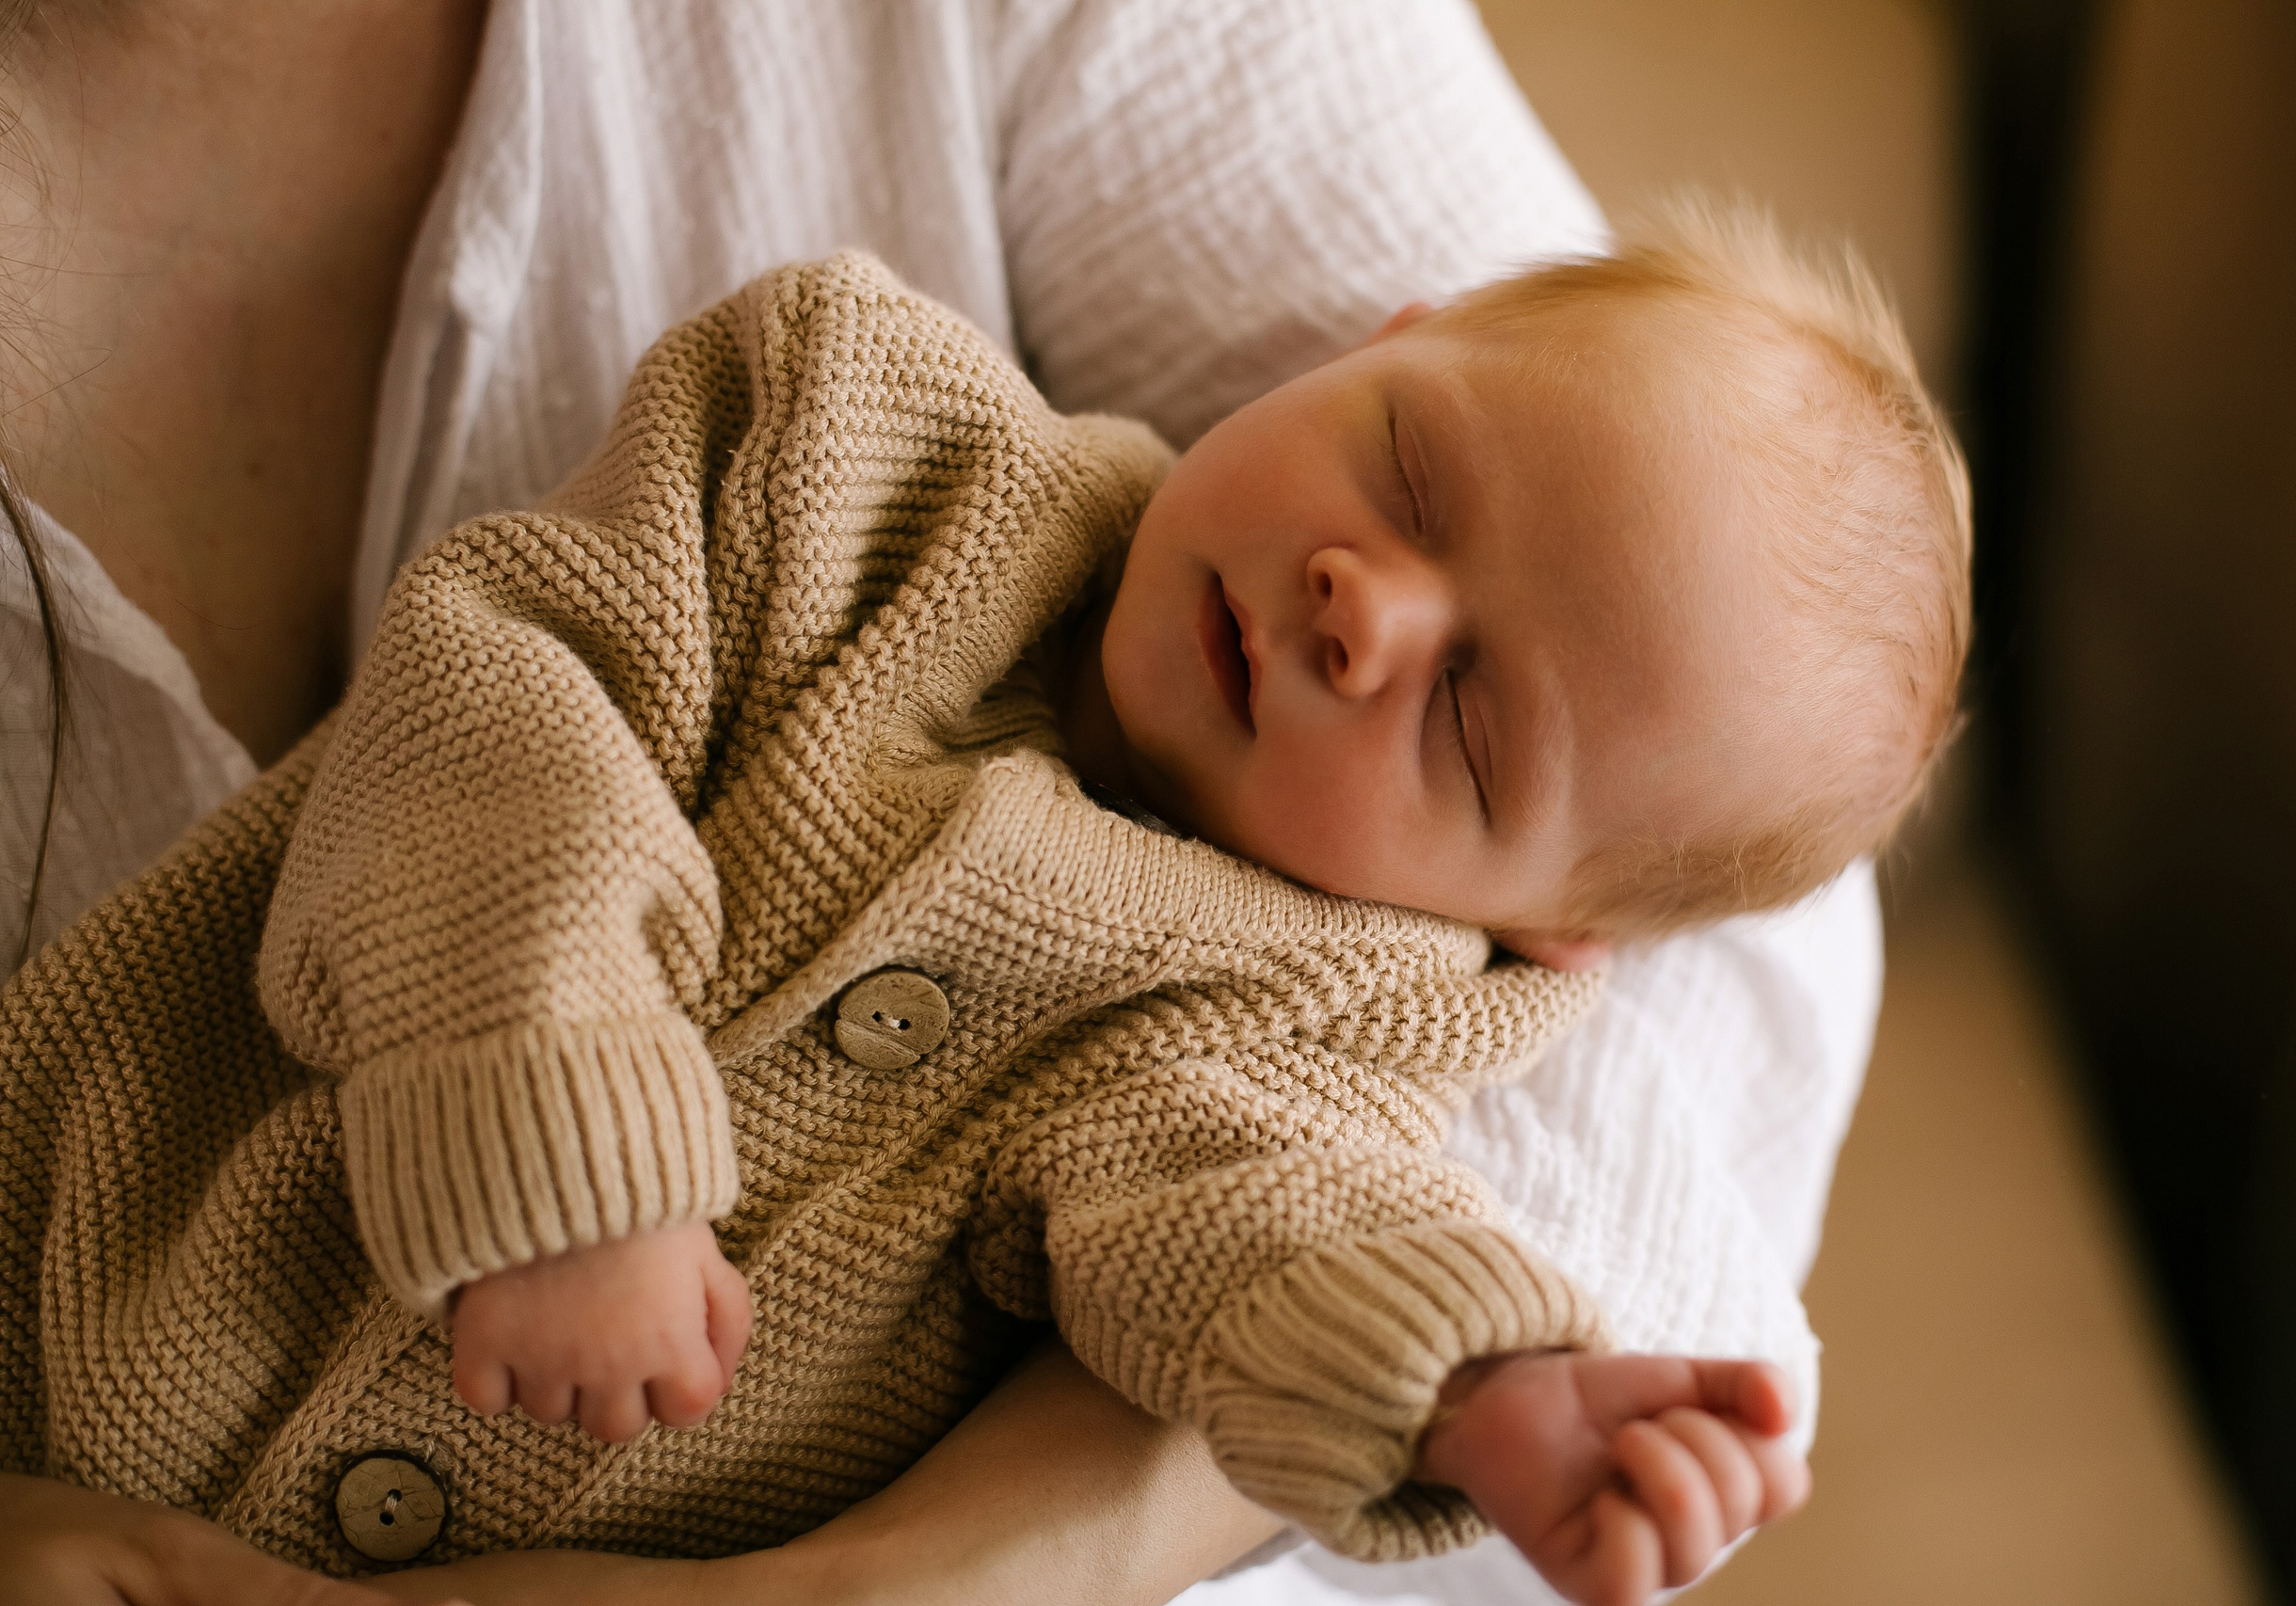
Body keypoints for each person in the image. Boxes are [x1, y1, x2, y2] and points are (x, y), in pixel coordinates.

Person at [0, 4, 1888, 1602]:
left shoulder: (1295, 1022)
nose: (1363, 606)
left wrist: (1482, 1389)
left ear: (1550, 925)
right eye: (1405, 472)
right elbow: (504, 694)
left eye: (1468, 719)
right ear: (1366, 345)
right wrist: (558, 1130)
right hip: (74, 1254)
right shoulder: (852, 457)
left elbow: (1256, 1233)